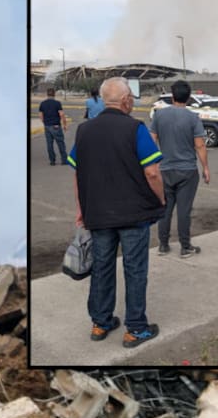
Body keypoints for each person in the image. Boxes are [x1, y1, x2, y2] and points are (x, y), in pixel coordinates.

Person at [67, 77, 165, 349]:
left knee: (102, 268)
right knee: (135, 270)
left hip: (97, 214)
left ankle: (100, 322)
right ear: (125, 101)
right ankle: (135, 329)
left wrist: (81, 210)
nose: (132, 102)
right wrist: (161, 199)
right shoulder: (136, 129)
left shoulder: (84, 131)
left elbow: (77, 173)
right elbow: (152, 171)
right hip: (133, 215)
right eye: (131, 98)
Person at [150, 80, 210, 256]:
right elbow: (200, 145)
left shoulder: (159, 115)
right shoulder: (192, 118)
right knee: (184, 210)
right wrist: (205, 167)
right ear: (189, 97)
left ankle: (163, 244)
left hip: (165, 169)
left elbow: (152, 139)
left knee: (165, 208)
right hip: (187, 171)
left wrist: (155, 163)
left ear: (172, 95)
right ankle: (185, 246)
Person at [39, 87, 69, 166]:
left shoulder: (42, 103)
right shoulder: (57, 103)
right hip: (56, 125)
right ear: (54, 94)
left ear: (47, 94)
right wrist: (65, 124)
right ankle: (64, 160)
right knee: (60, 143)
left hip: (47, 126)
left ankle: (52, 161)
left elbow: (41, 115)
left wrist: (45, 122)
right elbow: (61, 114)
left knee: (49, 144)